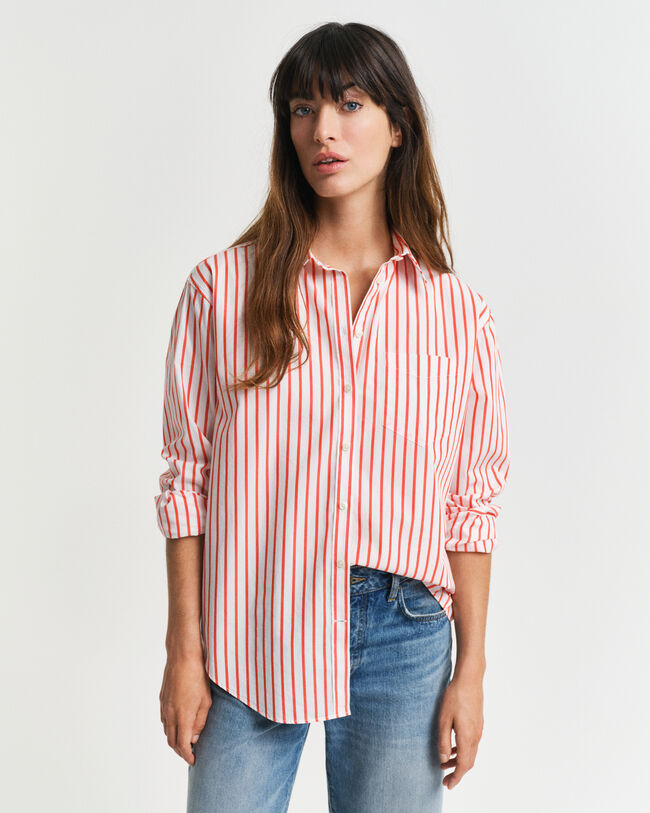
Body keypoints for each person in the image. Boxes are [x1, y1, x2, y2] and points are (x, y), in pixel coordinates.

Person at [155, 21, 510, 813]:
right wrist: (183, 648)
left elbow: (470, 504)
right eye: (302, 108)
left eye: (350, 104)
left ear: (398, 124)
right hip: (252, 620)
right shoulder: (223, 292)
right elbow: (188, 480)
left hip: (404, 630)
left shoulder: (457, 315)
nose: (323, 129)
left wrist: (472, 670)